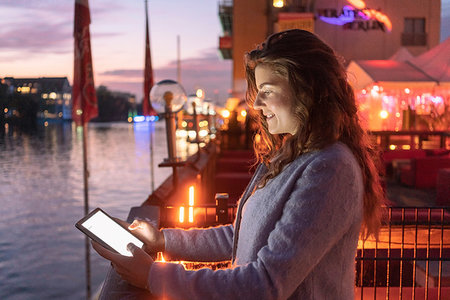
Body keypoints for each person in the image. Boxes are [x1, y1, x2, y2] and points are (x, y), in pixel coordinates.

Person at [92, 29, 385, 300]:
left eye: (267, 90)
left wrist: (153, 275)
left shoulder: (330, 168)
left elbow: (266, 284)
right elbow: (239, 237)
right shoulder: (289, 155)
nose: (256, 103)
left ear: (308, 90)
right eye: (257, 91)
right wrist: (162, 240)